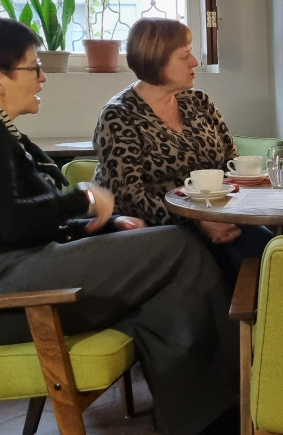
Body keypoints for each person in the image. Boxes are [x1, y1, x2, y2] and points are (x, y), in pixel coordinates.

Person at [0, 16, 269, 435]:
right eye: (34, 67)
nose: (43, 76)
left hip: (18, 274)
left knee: (166, 298)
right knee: (178, 244)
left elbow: (15, 220)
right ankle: (231, 425)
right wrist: (84, 198)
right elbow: (11, 226)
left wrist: (107, 223)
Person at [93, 17, 270, 285]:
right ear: (156, 60)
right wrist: (196, 222)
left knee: (272, 249)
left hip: (215, 217)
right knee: (238, 264)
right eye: (184, 55)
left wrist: (227, 214)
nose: (195, 63)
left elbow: (230, 163)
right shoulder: (119, 115)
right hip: (155, 227)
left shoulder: (199, 102)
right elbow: (128, 195)